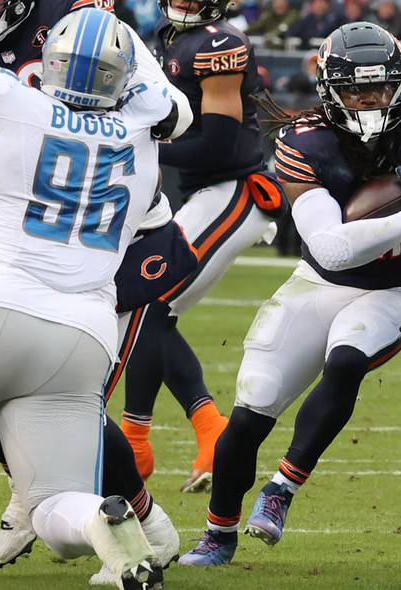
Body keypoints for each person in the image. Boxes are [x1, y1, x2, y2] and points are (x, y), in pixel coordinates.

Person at [178, 21, 401, 567]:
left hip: (395, 291)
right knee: (251, 409)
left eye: (380, 87)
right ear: (329, 90)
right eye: (356, 89)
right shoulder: (303, 138)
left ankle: (281, 491)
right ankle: (218, 535)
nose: (369, 100)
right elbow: (334, 250)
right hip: (320, 283)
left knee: (346, 359)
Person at [0, 0, 192, 577]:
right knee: (56, 507)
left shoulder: (6, 109)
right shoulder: (142, 144)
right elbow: (169, 112)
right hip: (81, 338)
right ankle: (105, 523)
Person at [120, 0, 288, 494]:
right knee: (147, 306)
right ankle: (212, 429)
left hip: (235, 190)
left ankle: (135, 435)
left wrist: (140, 144)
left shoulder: (219, 43)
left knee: (148, 301)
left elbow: (216, 143)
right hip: (202, 192)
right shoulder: (167, 38)